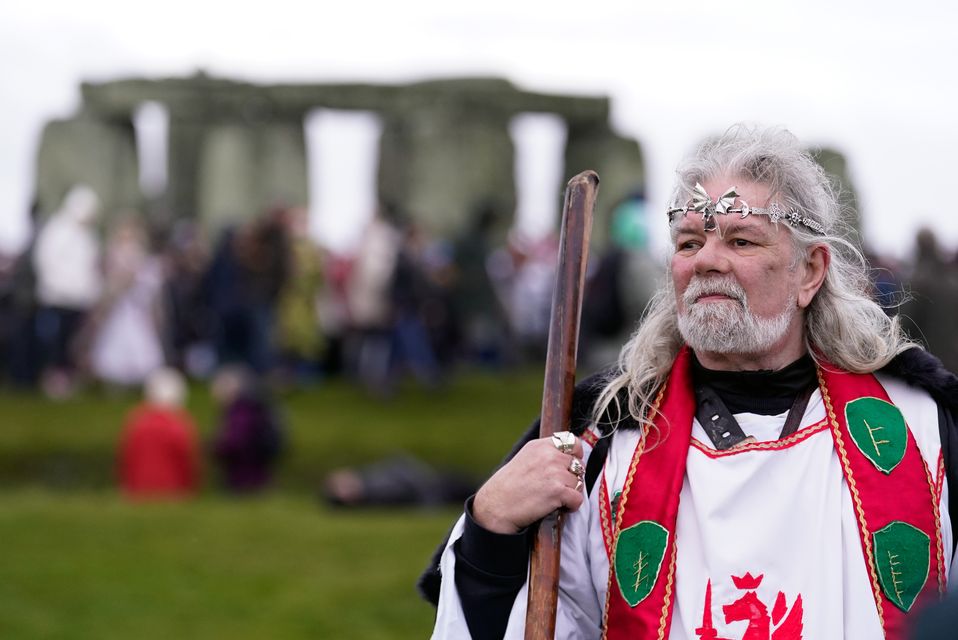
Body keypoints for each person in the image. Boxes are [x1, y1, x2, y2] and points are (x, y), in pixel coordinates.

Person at [424, 125, 957, 639]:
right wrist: (490, 532)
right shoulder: (598, 438)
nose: (706, 261)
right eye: (687, 243)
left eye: (741, 240)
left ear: (810, 271)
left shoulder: (924, 429)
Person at [118, 367, 200, 499]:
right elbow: (189, 464)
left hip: (138, 494)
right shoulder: (179, 424)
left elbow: (125, 460)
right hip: (173, 494)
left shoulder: (136, 421)